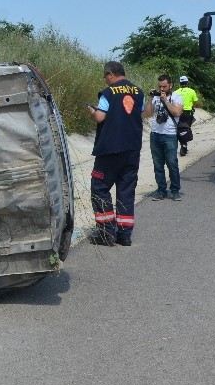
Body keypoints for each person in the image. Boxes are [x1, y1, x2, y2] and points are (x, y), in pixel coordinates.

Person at [86, 61, 144, 246]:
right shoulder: (138, 92)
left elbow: (100, 116)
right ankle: (124, 235)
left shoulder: (108, 93)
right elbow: (141, 114)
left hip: (110, 149)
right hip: (132, 148)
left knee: (99, 187)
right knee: (126, 190)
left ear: (110, 74)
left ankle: (106, 233)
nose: (105, 80)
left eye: (105, 76)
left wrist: (92, 111)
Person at [143, 73, 184, 201]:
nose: (162, 89)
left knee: (172, 163)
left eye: (164, 86)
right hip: (155, 134)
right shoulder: (155, 97)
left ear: (170, 85)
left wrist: (165, 100)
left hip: (170, 135)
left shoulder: (177, 97)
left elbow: (177, 112)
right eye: (160, 86)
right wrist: (150, 98)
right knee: (158, 164)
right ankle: (161, 190)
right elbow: (147, 114)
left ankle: (175, 190)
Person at [174, 75, 203, 156]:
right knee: (185, 129)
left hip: (178, 113)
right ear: (187, 82)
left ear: (180, 83)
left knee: (179, 129)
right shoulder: (191, 91)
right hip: (188, 113)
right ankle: (184, 146)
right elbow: (196, 102)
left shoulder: (176, 92)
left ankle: (183, 145)